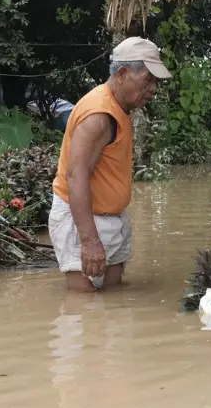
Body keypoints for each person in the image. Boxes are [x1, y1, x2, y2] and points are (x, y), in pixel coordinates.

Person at [49, 37, 171, 291]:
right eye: (148, 79)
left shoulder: (118, 108)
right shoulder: (99, 116)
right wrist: (89, 240)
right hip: (84, 220)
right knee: (83, 308)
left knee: (114, 305)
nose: (154, 89)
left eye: (156, 82)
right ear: (123, 73)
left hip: (111, 217)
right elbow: (76, 176)